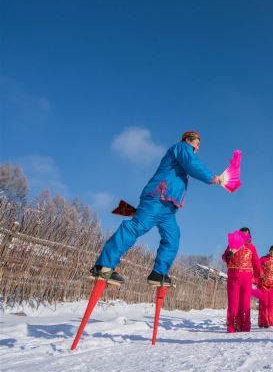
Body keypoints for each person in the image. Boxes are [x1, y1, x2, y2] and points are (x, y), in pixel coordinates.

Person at [91, 131, 221, 287]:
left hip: (169, 208)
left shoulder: (183, 158)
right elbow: (192, 164)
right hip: (157, 198)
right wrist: (212, 178)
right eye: (197, 143)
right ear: (188, 140)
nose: (198, 147)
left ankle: (158, 273)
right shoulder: (182, 147)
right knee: (136, 227)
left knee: (172, 237)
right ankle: (103, 266)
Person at [222, 227, 262, 333]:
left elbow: (257, 264)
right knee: (233, 303)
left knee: (245, 304)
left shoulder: (252, 247)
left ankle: (245, 327)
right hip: (233, 278)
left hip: (247, 279)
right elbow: (224, 257)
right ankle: (231, 327)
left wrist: (257, 280)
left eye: (246, 234)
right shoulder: (232, 245)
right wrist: (228, 255)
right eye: (242, 234)